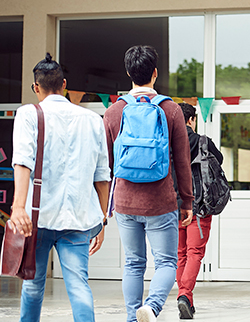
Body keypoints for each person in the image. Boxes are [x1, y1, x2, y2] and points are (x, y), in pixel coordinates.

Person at [10, 53, 110, 322]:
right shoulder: (92, 120)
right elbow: (103, 176)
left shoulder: (28, 114)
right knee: (79, 287)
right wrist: (101, 219)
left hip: (37, 217)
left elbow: (22, 161)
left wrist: (18, 207)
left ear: (36, 87)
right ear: (64, 85)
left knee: (32, 286)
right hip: (79, 219)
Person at [103, 45, 194, 322]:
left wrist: (105, 206)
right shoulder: (171, 110)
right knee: (166, 261)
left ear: (129, 72)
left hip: (125, 201)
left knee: (133, 263)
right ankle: (152, 308)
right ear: (155, 73)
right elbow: (182, 162)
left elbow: (105, 164)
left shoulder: (114, 112)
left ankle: (133, 318)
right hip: (160, 201)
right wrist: (187, 201)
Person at [175, 103, 223, 319]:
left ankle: (186, 299)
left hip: (173, 207)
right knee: (195, 253)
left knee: (180, 254)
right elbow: (219, 162)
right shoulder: (203, 141)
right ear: (192, 119)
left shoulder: (167, 141)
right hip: (200, 206)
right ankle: (185, 295)